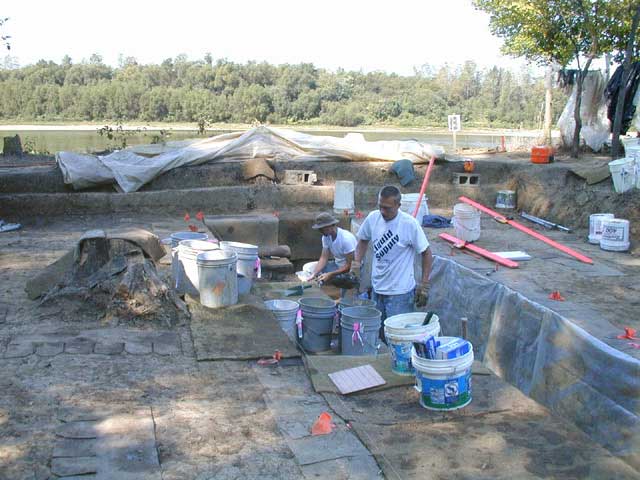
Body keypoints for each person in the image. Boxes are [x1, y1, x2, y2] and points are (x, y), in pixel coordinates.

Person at [352, 185, 433, 329]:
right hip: (377, 289)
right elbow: (362, 240)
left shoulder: (409, 224)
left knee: (399, 338)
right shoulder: (373, 218)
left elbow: (426, 253)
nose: (383, 211)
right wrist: (356, 263)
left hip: (400, 293)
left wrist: (424, 284)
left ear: (398, 205)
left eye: (387, 208)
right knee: (379, 335)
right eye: (380, 206)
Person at [310, 212, 357, 287]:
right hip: (337, 265)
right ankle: (322, 279)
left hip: (350, 271)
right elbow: (324, 258)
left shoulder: (346, 239)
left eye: (322, 229)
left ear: (330, 226)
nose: (320, 231)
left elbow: (349, 266)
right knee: (309, 268)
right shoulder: (326, 237)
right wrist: (313, 274)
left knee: (329, 277)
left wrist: (330, 274)